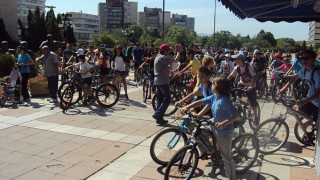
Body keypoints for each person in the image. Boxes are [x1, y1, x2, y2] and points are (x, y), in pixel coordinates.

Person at [180, 77, 238, 180]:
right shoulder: (214, 97)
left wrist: (224, 123)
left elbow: (236, 115)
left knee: (227, 158)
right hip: (213, 124)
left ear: (218, 87)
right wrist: (186, 107)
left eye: (214, 84)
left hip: (223, 131)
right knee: (197, 131)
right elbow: (201, 102)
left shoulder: (224, 101)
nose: (212, 86)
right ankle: (207, 151)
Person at [278, 50, 320, 123]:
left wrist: (304, 101)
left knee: (316, 123)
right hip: (311, 100)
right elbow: (294, 78)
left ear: (313, 60)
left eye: (306, 58)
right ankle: (311, 123)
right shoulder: (305, 70)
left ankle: (314, 126)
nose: (303, 60)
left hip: (318, 103)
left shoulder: (317, 73)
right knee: (299, 111)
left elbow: (318, 93)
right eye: (302, 58)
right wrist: (282, 89)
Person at [228, 53, 259, 121]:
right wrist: (224, 82)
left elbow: (254, 76)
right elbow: (231, 76)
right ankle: (239, 109)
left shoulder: (248, 66)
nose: (234, 61)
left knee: (252, 102)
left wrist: (251, 86)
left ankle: (256, 116)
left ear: (240, 60)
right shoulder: (237, 67)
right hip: (242, 84)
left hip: (251, 85)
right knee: (236, 97)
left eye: (235, 59)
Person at [153, 44, 176, 125]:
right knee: (168, 99)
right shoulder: (162, 57)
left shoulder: (158, 57)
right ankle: (158, 114)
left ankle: (159, 118)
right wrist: (179, 52)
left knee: (160, 100)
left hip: (158, 81)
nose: (169, 52)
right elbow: (174, 60)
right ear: (165, 51)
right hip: (163, 81)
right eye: (168, 50)